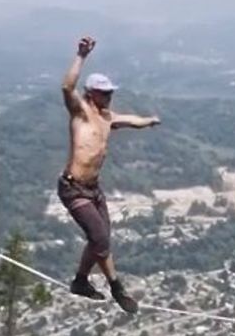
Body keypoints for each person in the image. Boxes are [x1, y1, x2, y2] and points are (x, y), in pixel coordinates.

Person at [58, 36, 160, 313]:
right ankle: (117, 288)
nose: (110, 97)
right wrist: (81, 56)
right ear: (92, 94)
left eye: (111, 93)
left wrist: (149, 121)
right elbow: (67, 86)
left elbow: (132, 121)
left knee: (101, 238)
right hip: (73, 187)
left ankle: (80, 281)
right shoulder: (81, 113)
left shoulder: (107, 118)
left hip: (93, 188)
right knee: (100, 239)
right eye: (106, 93)